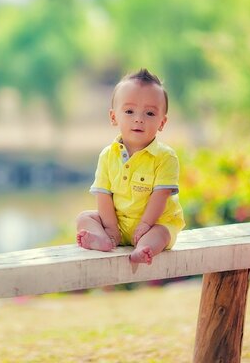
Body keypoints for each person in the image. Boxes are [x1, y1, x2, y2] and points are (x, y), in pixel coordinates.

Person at [76, 68, 185, 265]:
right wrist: (111, 229)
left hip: (154, 223)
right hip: (118, 224)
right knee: (84, 218)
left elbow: (160, 196)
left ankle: (144, 249)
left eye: (150, 113)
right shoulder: (108, 156)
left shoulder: (165, 157)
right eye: (129, 111)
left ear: (162, 122)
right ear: (113, 117)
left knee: (162, 233)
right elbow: (103, 195)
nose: (139, 119)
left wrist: (145, 224)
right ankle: (103, 240)